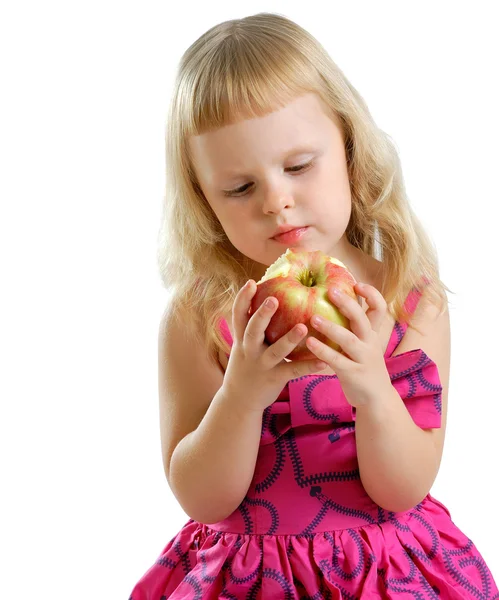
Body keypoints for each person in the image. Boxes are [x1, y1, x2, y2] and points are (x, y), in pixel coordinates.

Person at [128, 12, 498, 599]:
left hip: (382, 572)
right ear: (205, 200)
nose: (278, 201)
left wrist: (370, 383)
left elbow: (404, 489)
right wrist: (243, 394)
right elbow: (203, 499)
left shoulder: (405, 297)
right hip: (248, 579)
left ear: (349, 147)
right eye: (240, 188)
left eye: (298, 166)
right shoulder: (200, 318)